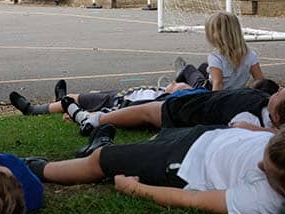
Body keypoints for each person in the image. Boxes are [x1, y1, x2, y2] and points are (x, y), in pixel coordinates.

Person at [26, 124, 285, 214]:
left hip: (183, 162)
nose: (260, 165)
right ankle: (97, 147)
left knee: (101, 161)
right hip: (209, 134)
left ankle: (36, 168)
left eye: (267, 171)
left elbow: (193, 200)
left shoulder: (263, 201)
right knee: (153, 139)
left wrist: (135, 189)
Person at [61, 86, 285, 136]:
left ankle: (95, 119)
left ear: (276, 117)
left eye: (277, 94)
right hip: (206, 100)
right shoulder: (265, 107)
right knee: (146, 112)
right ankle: (92, 116)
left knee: (148, 112)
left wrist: (274, 134)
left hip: (192, 111)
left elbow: (238, 127)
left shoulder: (251, 118)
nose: (277, 90)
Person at [10, 79, 197, 117]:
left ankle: (32, 110)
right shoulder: (159, 92)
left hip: (114, 102)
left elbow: (129, 109)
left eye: (175, 85)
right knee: (91, 92)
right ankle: (61, 100)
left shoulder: (156, 102)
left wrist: (96, 112)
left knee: (77, 98)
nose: (171, 82)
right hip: (117, 94)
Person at [174, 12, 264, 90]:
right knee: (204, 67)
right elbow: (260, 79)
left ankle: (175, 84)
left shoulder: (216, 57)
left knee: (188, 69)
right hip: (236, 91)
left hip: (208, 91)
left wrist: (215, 103)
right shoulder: (250, 54)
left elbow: (218, 84)